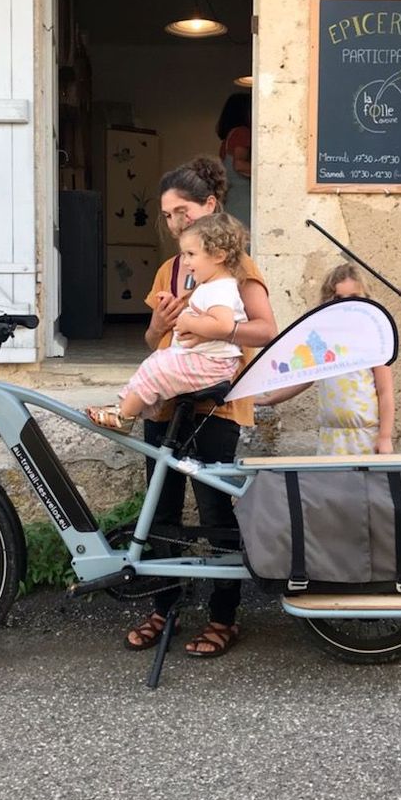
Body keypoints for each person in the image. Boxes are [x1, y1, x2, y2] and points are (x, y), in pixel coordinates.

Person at [111, 155, 278, 659]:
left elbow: (266, 331)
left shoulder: (236, 267)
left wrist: (216, 328)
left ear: (209, 206)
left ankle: (224, 616)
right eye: (165, 215)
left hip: (214, 407)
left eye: (181, 212)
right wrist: (160, 325)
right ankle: (164, 607)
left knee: (212, 510)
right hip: (165, 405)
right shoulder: (169, 267)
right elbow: (150, 340)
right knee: (160, 510)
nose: (173, 223)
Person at [86, 214, 248, 430]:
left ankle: (124, 416)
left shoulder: (220, 288)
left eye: (191, 254)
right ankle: (128, 408)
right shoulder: (212, 286)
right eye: (183, 254)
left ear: (218, 255)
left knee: (156, 368)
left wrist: (187, 321)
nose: (186, 262)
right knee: (156, 364)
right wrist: (179, 309)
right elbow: (207, 317)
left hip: (212, 363)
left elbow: (224, 325)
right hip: (207, 359)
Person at [261, 263, 395, 455]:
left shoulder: (373, 340)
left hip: (365, 437)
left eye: (355, 298)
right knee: (329, 484)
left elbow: (385, 391)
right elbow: (306, 378)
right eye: (338, 298)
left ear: (367, 299)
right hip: (331, 438)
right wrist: (271, 398)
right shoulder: (325, 343)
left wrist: (385, 437)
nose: (346, 304)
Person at [216, 92, 251, 231]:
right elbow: (239, 165)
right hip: (244, 201)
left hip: (231, 201)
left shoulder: (228, 138)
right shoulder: (242, 133)